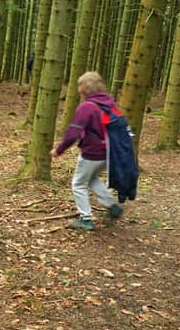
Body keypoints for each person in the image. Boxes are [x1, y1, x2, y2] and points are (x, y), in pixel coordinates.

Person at [50, 71, 125, 231]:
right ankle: (112, 205)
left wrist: (59, 150)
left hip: (92, 153)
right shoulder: (109, 104)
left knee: (78, 184)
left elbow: (73, 133)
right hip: (109, 152)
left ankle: (85, 219)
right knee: (91, 178)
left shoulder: (86, 107)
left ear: (83, 89)